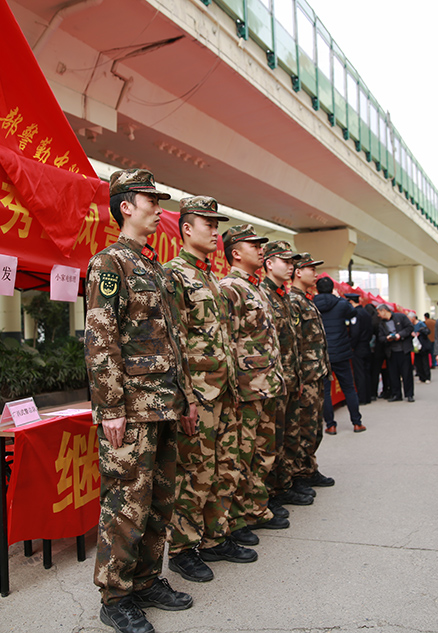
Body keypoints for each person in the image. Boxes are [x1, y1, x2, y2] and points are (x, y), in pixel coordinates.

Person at [85, 169, 195, 633]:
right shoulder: (109, 264)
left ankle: (147, 580)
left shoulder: (153, 267)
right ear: (126, 206)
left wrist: (185, 399)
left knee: (160, 501)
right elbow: (99, 338)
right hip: (131, 408)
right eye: (151, 199)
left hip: (164, 402)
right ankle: (116, 595)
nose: (158, 208)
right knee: (127, 501)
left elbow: (171, 341)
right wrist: (110, 408)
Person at [163, 196, 256, 584]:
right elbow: (174, 344)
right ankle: (183, 550)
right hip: (199, 395)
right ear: (186, 228)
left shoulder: (209, 277)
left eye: (217, 225)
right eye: (208, 224)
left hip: (224, 390)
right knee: (194, 472)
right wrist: (185, 398)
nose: (215, 231)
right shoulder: (174, 275)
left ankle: (215, 538)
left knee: (223, 468)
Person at [219, 224, 290, 546]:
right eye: (254, 245)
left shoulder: (255, 287)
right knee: (242, 455)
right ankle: (237, 517)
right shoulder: (231, 288)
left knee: (263, 452)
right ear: (236, 252)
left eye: (262, 245)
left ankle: (255, 508)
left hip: (266, 384)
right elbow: (227, 340)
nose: (261, 249)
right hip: (247, 388)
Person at [260, 241, 314, 511]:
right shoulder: (264, 295)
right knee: (273, 440)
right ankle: (272, 492)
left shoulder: (283, 295)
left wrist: (298, 378)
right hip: (274, 383)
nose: (291, 266)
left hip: (291, 380)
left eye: (293, 262)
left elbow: (292, 342)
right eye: (285, 261)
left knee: (289, 436)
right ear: (269, 263)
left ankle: (286, 484)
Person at [289, 252, 339, 496]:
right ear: (298, 272)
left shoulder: (307, 299)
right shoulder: (293, 300)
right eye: (311, 268)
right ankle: (299, 474)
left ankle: (309, 467)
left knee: (314, 426)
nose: (316, 273)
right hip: (305, 376)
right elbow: (294, 343)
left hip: (316, 373)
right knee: (303, 427)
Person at [313, 276, 363, 433]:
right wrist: (336, 297)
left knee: (325, 392)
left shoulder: (312, 304)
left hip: (322, 353)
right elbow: (353, 312)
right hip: (341, 353)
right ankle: (357, 423)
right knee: (349, 388)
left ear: (317, 289)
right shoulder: (341, 304)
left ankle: (330, 425)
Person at [375, 304, 415, 402]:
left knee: (407, 373)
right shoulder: (381, 324)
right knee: (393, 374)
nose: (378, 315)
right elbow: (380, 338)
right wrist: (387, 338)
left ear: (384, 310)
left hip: (404, 350)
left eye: (379, 312)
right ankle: (396, 394)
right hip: (391, 352)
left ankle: (409, 394)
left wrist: (399, 335)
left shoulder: (400, 317)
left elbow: (410, 328)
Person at [346, 293, 374, 404]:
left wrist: (352, 345)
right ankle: (368, 396)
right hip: (366, 345)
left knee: (359, 373)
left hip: (358, 347)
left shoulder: (355, 314)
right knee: (367, 372)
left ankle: (362, 398)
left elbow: (355, 332)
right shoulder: (366, 313)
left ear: (351, 302)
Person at [411, 313, 431, 383]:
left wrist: (420, 332)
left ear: (413, 318)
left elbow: (427, 331)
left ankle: (427, 377)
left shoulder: (421, 324)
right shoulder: (411, 325)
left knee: (425, 362)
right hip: (416, 346)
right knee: (418, 362)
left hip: (423, 345)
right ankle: (421, 377)